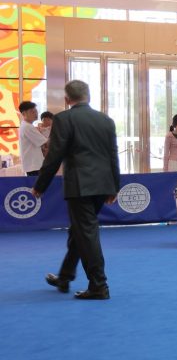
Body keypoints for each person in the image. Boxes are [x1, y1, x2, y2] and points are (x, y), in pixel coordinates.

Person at [33, 80, 119, 300]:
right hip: (103, 184)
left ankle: (99, 286)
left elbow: (54, 155)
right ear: (88, 96)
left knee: (86, 232)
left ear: (67, 99)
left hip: (80, 185)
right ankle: (65, 277)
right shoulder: (106, 120)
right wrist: (114, 186)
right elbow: (113, 155)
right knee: (80, 231)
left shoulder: (63, 119)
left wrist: (40, 185)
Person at [17, 101, 47, 176]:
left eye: (36, 111)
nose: (35, 114)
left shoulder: (27, 125)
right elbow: (45, 142)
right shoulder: (28, 127)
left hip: (33, 165)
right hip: (33, 165)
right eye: (32, 112)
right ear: (24, 114)